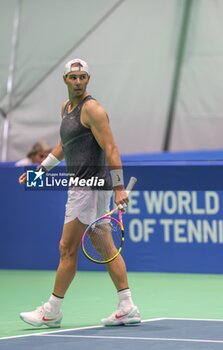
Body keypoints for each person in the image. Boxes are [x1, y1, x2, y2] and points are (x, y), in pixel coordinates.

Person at [18, 58, 141, 328]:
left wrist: (119, 187)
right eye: (73, 78)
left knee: (67, 248)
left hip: (88, 188)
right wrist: (40, 171)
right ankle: (127, 305)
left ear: (88, 79)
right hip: (85, 188)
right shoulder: (67, 108)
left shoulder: (93, 110)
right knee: (105, 246)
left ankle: (52, 310)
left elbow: (111, 148)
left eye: (83, 77)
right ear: (65, 80)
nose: (78, 82)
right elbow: (65, 144)